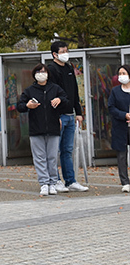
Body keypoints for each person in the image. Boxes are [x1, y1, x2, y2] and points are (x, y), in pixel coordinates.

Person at [17, 63, 69, 196]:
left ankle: (53, 182)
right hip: (36, 129)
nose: (41, 74)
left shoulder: (55, 88)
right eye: (38, 71)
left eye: (44, 71)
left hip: (53, 128)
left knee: (52, 157)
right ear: (34, 74)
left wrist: (60, 100)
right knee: (39, 157)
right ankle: (44, 183)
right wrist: (28, 105)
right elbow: (20, 105)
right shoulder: (30, 90)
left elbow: (66, 101)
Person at [46, 40, 89, 192]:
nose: (65, 54)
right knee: (54, 150)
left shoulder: (69, 68)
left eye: (66, 51)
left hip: (71, 115)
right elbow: (52, 95)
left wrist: (79, 112)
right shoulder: (51, 70)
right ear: (54, 54)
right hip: (59, 116)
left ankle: (70, 180)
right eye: (62, 51)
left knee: (67, 150)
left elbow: (75, 92)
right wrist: (55, 116)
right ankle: (55, 180)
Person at [108, 64, 130, 193]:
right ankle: (125, 181)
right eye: (119, 73)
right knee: (122, 155)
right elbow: (111, 107)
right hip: (121, 126)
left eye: (124, 73)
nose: (122, 76)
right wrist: (124, 115)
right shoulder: (115, 91)